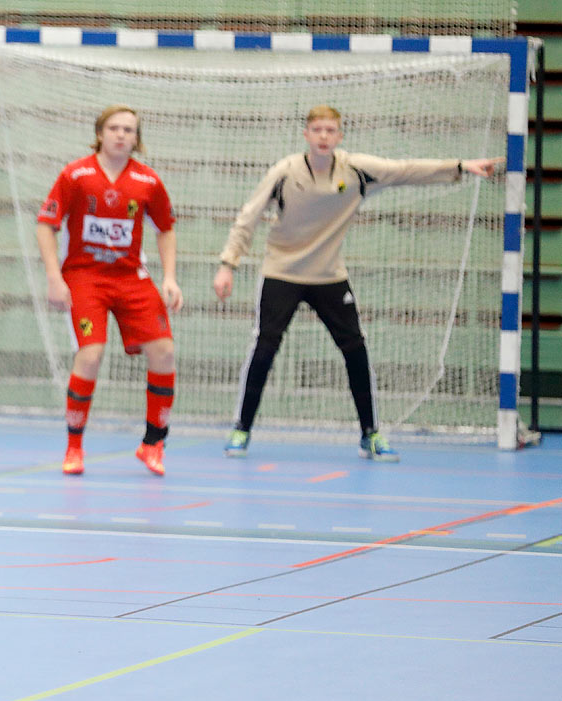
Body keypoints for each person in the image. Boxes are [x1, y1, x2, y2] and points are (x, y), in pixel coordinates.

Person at [213, 104, 499, 461]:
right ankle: (241, 429)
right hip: (282, 271)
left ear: (339, 136)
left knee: (355, 349)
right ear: (306, 134)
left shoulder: (356, 169)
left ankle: (370, 434)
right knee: (265, 347)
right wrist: (228, 264)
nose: (323, 136)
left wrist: (460, 167)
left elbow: (404, 170)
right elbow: (248, 217)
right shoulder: (285, 171)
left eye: (330, 130)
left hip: (329, 275)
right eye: (316, 129)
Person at [35, 105, 183, 478]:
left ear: (137, 137)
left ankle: (153, 443)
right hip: (86, 277)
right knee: (91, 355)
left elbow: (166, 227)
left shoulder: (148, 181)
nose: (121, 135)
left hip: (131, 277)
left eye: (129, 130)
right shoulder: (76, 175)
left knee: (164, 351)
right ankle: (74, 446)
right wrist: (54, 276)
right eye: (114, 128)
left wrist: (170, 277)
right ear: (100, 133)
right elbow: (46, 224)